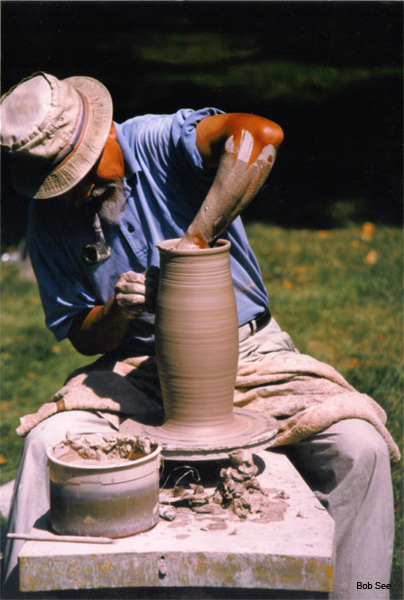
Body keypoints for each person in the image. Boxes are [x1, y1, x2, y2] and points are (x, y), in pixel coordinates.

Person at [0, 73, 397, 599]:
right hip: (135, 369)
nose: (72, 194)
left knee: (360, 447)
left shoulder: (158, 141)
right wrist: (118, 311)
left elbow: (261, 134)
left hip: (252, 352)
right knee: (47, 443)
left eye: (78, 176)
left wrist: (194, 242)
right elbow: (82, 335)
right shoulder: (50, 215)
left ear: (103, 135)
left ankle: (361, 593)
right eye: (57, 184)